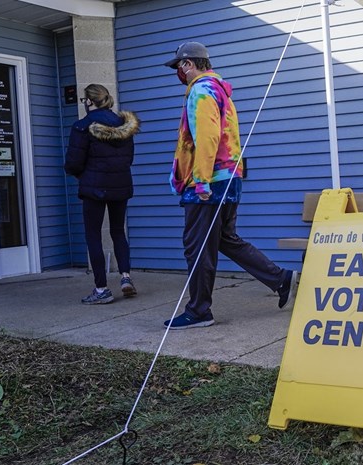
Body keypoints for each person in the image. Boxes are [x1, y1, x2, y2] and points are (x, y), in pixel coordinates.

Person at [162, 41, 297, 329]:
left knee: (197, 247)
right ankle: (280, 278)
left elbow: (207, 139)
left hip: (210, 183)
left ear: (189, 64)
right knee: (224, 238)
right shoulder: (220, 90)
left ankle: (199, 311)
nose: (179, 73)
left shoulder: (201, 91)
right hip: (229, 178)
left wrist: (200, 182)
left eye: (179, 66)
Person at [65, 84, 140, 305]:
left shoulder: (82, 126)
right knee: (118, 231)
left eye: (84, 100)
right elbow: (129, 159)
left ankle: (101, 289)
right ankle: (126, 277)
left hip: (93, 188)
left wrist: (84, 176)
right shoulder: (124, 126)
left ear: (89, 102)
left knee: (93, 235)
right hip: (120, 184)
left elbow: (73, 163)